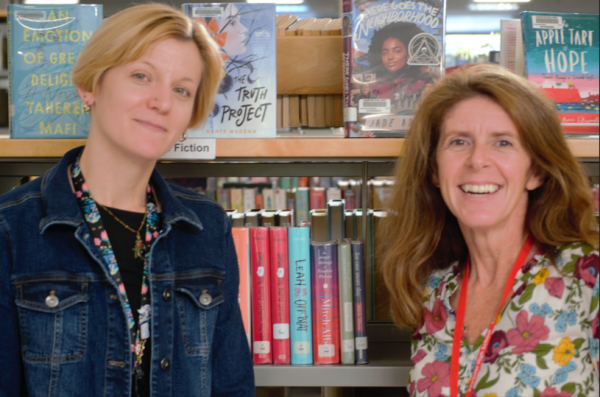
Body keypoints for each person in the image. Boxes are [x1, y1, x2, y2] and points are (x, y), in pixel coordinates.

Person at [0, 4, 254, 397]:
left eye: (181, 90)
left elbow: (231, 385)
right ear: (91, 86)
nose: (162, 102)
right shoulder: (11, 229)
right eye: (141, 76)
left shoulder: (207, 227)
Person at [381, 64, 599, 396]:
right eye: (458, 142)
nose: (477, 160)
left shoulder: (587, 276)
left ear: (536, 171)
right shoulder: (433, 290)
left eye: (502, 143)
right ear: (434, 171)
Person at [367, 21, 434, 113]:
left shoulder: (422, 83)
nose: (390, 57)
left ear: (408, 55)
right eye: (385, 52)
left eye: (397, 51)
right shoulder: (372, 85)